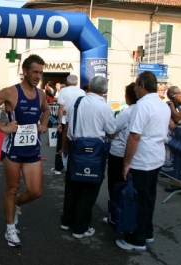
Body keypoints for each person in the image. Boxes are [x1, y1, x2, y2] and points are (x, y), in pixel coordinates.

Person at [0, 54, 50, 247]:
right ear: (25, 71)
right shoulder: (11, 92)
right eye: (35, 72)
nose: (37, 76)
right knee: (12, 188)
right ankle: (10, 229)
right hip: (13, 149)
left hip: (32, 148)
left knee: (35, 191)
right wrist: (3, 127)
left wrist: (43, 124)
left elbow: (47, 110)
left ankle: (17, 206)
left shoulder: (41, 94)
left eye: (41, 73)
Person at [116, 71, 170, 252]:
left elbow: (134, 136)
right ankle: (147, 232)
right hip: (156, 158)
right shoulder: (163, 105)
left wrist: (126, 163)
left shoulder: (142, 106)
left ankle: (136, 240)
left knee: (137, 200)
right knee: (148, 198)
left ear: (143, 86)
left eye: (137, 85)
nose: (136, 89)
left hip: (142, 160)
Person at [59, 76, 116, 239]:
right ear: (105, 91)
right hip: (95, 154)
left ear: (89, 86)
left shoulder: (77, 103)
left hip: (75, 148)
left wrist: (64, 147)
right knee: (89, 190)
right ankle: (80, 228)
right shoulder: (104, 107)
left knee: (72, 187)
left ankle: (66, 221)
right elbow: (112, 133)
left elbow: (67, 126)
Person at [106, 82, 137, 203]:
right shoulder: (143, 111)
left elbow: (112, 131)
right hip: (135, 153)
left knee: (115, 184)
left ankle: (115, 213)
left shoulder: (126, 113)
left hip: (119, 153)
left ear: (128, 97)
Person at [51, 75, 85, 175]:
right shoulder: (82, 92)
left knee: (61, 144)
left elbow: (60, 108)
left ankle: (58, 168)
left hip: (65, 121)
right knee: (74, 144)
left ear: (67, 81)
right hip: (76, 122)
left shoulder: (63, 91)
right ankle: (72, 167)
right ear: (77, 82)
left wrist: (59, 122)